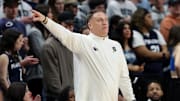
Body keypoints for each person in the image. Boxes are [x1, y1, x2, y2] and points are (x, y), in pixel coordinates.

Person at [32, 9, 136, 101]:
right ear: (90, 25)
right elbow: (64, 34)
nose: (104, 23)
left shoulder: (116, 46)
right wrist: (45, 20)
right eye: (99, 20)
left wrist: (131, 98)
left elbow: (123, 77)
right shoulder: (84, 42)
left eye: (106, 20)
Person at [40, 11, 74, 101]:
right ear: (57, 25)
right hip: (58, 97)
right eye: (66, 26)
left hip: (72, 94)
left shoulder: (73, 43)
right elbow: (51, 79)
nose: (69, 29)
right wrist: (64, 96)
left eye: (71, 26)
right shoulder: (48, 46)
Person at [167, 25, 180, 101]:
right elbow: (177, 65)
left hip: (172, 81)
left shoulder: (173, 47)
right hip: (177, 81)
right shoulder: (179, 46)